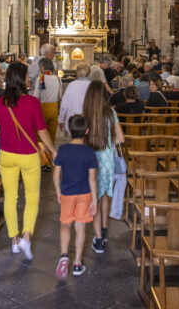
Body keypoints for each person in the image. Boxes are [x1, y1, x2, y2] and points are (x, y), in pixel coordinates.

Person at [0, 62, 56, 261]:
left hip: (7, 155)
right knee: (32, 197)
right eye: (26, 76)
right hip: (28, 156)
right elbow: (42, 132)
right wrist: (53, 150)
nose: (29, 79)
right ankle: (26, 237)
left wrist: (5, 130)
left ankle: (14, 241)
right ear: (21, 78)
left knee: (10, 197)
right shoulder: (32, 102)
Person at [53, 114, 98, 279]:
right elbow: (92, 179)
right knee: (80, 228)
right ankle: (78, 263)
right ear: (86, 131)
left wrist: (58, 192)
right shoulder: (89, 152)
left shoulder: (63, 150)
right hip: (84, 194)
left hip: (66, 193)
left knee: (65, 225)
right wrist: (95, 199)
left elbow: (55, 175)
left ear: (69, 131)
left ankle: (64, 255)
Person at [83, 81, 124, 254]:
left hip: (92, 159)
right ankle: (105, 230)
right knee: (105, 195)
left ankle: (98, 239)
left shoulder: (86, 114)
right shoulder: (110, 111)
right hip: (107, 159)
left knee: (95, 199)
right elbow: (121, 138)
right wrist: (108, 144)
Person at [33, 57, 62, 146]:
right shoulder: (58, 78)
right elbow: (60, 95)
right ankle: (50, 156)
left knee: (40, 134)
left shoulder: (41, 78)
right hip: (54, 109)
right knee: (51, 136)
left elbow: (36, 96)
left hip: (42, 109)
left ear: (42, 67)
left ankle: (41, 156)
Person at [58, 63, 91, 134]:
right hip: (88, 121)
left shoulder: (71, 85)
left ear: (77, 73)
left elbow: (64, 104)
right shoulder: (92, 85)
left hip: (73, 122)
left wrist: (61, 119)